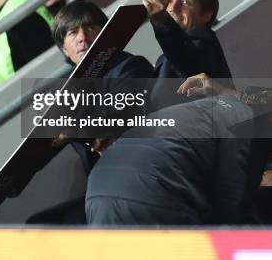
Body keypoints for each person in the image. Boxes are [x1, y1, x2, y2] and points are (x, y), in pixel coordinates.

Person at [24, 1, 153, 225]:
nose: (83, 37)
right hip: (103, 189)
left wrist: (71, 130)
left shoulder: (131, 66)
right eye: (73, 32)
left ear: (106, 35)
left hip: (139, 179)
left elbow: (119, 115)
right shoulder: (68, 89)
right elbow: (43, 145)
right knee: (38, 226)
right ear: (64, 48)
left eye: (91, 28)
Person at [85, 73, 272, 225]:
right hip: (152, 194)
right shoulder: (247, 123)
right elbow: (231, 207)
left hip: (97, 192)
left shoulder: (204, 110)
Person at [143, 0, 233, 110]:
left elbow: (186, 57)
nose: (172, 8)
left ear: (207, 14)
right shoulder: (170, 52)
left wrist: (163, 22)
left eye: (185, 2)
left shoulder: (204, 40)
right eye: (168, 0)